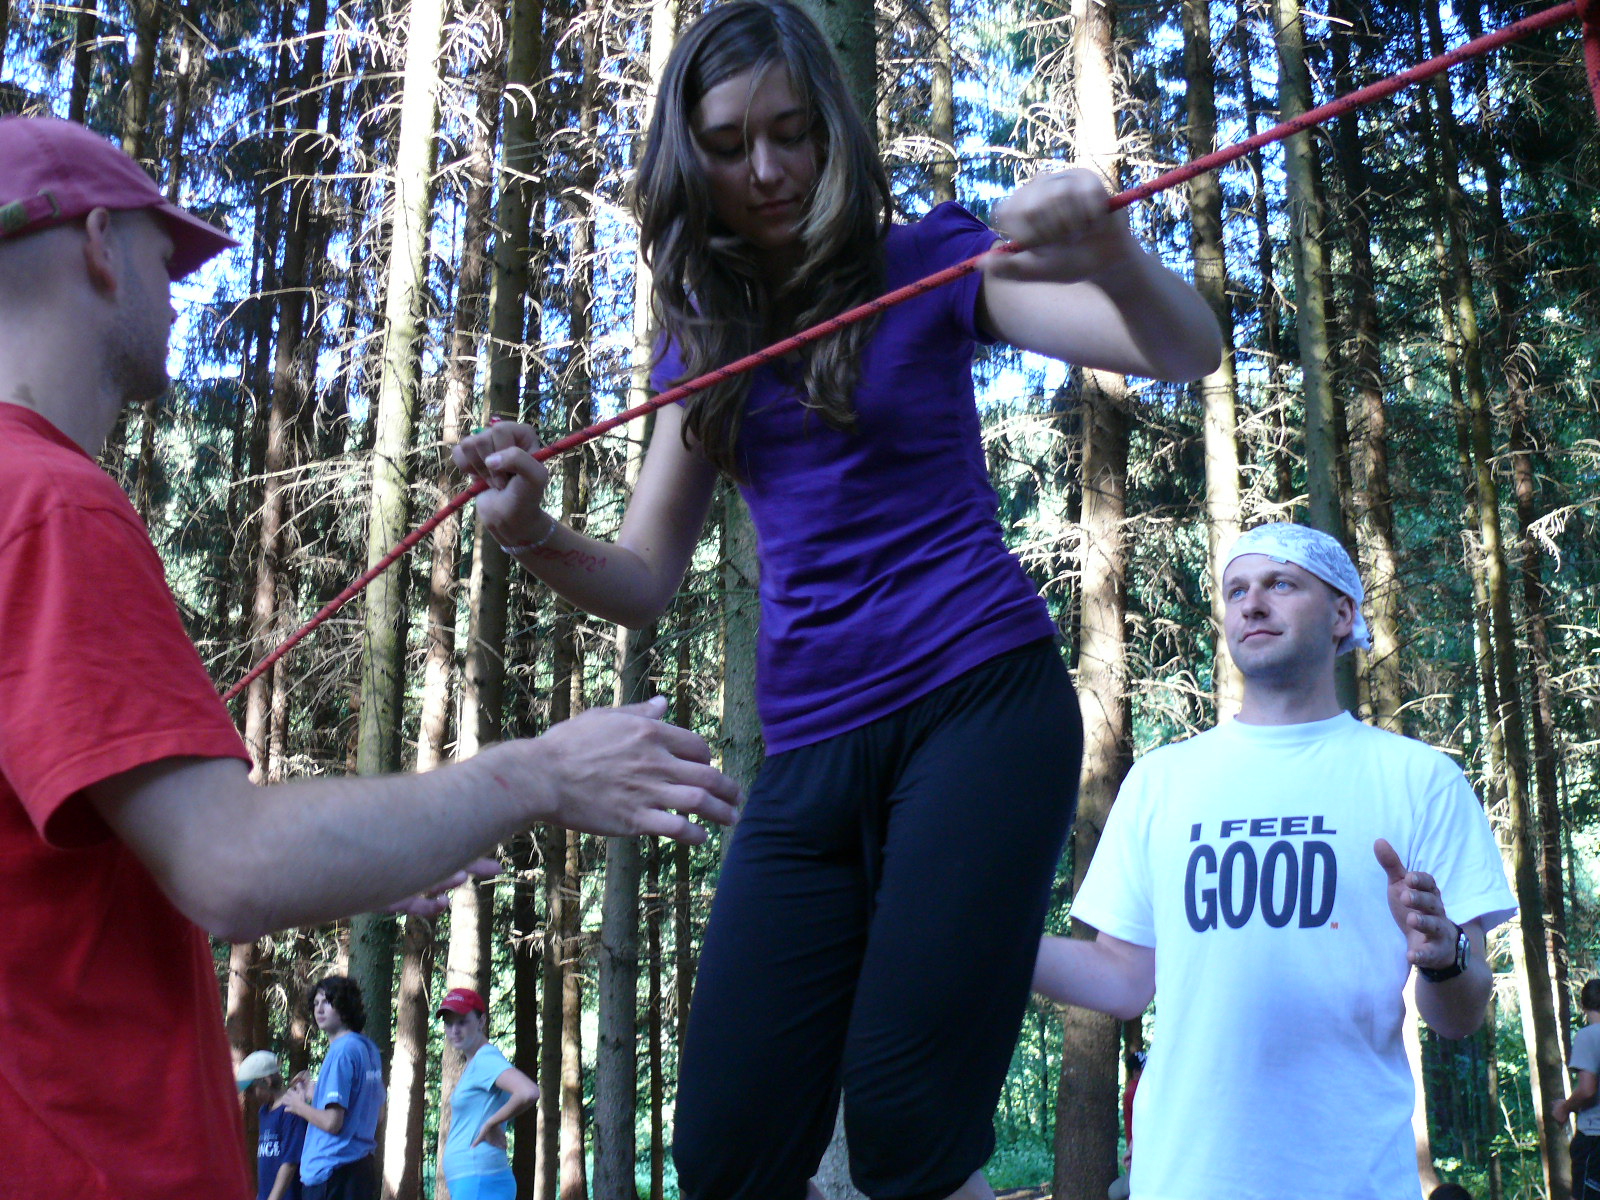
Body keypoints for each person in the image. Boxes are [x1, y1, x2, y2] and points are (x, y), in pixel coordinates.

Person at [452, 4, 1222, 1197]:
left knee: (908, 1119)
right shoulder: (702, 345)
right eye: (727, 144)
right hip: (811, 750)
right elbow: (644, 580)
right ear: (689, 160)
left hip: (977, 707)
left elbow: (1182, 350)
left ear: (830, 132)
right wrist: (532, 533)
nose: (764, 168)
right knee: (726, 1150)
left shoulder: (930, 262)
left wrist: (1111, 250)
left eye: (789, 132)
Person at [0, 114, 741, 1197]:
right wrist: (540, 772)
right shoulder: (48, 505)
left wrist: (387, 844)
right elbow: (226, 864)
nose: (181, 293)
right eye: (168, 256)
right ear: (101, 243)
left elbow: (90, 884)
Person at [1032, 522, 1518, 1200]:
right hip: (1183, 1181)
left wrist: (1443, 958)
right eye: (1236, 591)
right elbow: (1122, 980)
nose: (1252, 604)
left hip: (1354, 1182)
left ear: (1343, 614)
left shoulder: (1420, 779)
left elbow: (1457, 1017)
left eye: (1280, 584)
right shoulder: (1161, 781)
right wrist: (984, 945)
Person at [281, 977, 385, 1200]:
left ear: (345, 1006)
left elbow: (332, 1123)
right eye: (316, 1003)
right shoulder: (369, 1049)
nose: (319, 1009)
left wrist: (298, 1106)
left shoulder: (341, 1052)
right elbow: (376, 1114)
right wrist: (316, 1094)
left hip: (332, 1171)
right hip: (360, 1169)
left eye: (327, 1001)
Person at [435, 987, 539, 1200]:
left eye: (462, 1022)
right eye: (449, 1023)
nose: (454, 1030)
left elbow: (528, 1091)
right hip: (476, 1180)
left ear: (481, 1021)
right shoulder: (476, 1062)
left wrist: (491, 1123)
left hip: (479, 1180)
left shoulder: (485, 1060)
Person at [238, 1050, 309, 1200]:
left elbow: (290, 1162)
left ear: (267, 1081)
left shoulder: (291, 1110)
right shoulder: (264, 1112)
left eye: (251, 1090)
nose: (249, 1096)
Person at [1555, 978, 1600, 1198]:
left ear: (1583, 1006)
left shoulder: (1589, 1036)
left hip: (1594, 1139)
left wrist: (1564, 1108)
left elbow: (1588, 1089)